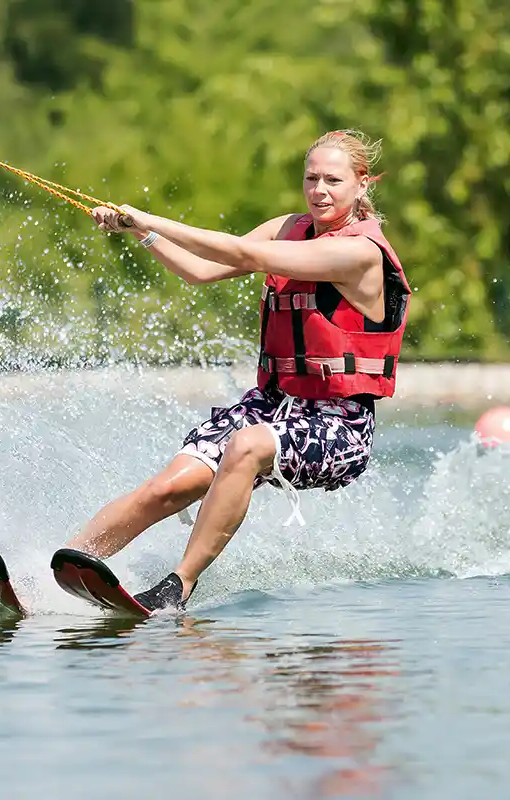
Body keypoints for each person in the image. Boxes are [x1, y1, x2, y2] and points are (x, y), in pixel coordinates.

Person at [63, 130, 410, 612]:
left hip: (337, 423)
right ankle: (67, 565)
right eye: (311, 178)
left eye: (333, 180)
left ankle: (177, 587)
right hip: (271, 403)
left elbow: (243, 255)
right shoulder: (289, 227)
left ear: (362, 184)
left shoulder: (358, 252)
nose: (319, 190)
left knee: (247, 446)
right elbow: (200, 270)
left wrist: (149, 216)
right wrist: (140, 232)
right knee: (172, 486)